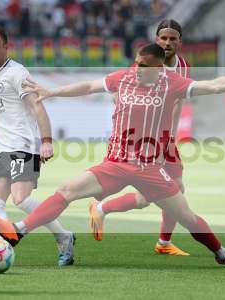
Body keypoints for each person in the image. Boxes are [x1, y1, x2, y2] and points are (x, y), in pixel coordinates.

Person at [0, 43, 225, 269]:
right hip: (115, 163)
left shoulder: (171, 83)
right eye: (136, 63)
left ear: (159, 67)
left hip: (150, 167)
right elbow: (88, 86)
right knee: (67, 191)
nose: (137, 69)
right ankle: (17, 233)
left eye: (144, 66)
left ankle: (223, 255)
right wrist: (52, 92)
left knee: (186, 216)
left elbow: (213, 85)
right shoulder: (123, 78)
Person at [0, 25, 75, 266]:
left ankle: (64, 236)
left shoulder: (17, 73)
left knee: (21, 199)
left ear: (6, 46)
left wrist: (46, 141)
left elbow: (38, 106)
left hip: (22, 146)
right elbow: (1, 116)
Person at [88, 19, 191, 256]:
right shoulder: (144, 63)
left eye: (172, 38)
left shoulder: (183, 66)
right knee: (150, 195)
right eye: (163, 38)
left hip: (164, 141)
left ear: (179, 42)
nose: (167, 42)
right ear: (156, 40)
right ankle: (102, 207)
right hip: (140, 142)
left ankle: (163, 243)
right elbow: (120, 93)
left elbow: (177, 103)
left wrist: (171, 138)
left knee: (176, 188)